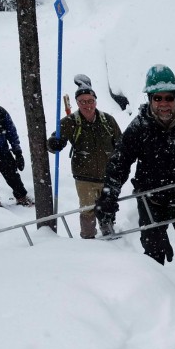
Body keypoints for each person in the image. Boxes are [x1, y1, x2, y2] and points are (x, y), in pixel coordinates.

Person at [94, 64, 175, 300]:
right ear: (150, 99)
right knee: (153, 253)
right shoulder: (139, 128)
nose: (164, 103)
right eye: (158, 98)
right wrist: (109, 195)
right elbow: (120, 163)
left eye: (169, 98)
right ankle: (157, 304)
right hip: (151, 200)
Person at [47, 75, 123, 239]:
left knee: (107, 206)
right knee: (87, 209)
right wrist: (54, 143)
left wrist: (118, 165)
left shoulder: (108, 120)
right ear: (77, 103)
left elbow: (121, 143)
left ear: (95, 101)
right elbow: (53, 143)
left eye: (90, 101)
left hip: (107, 174)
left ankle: (108, 231)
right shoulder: (69, 122)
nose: (87, 105)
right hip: (84, 176)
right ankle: (88, 239)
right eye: (82, 101)